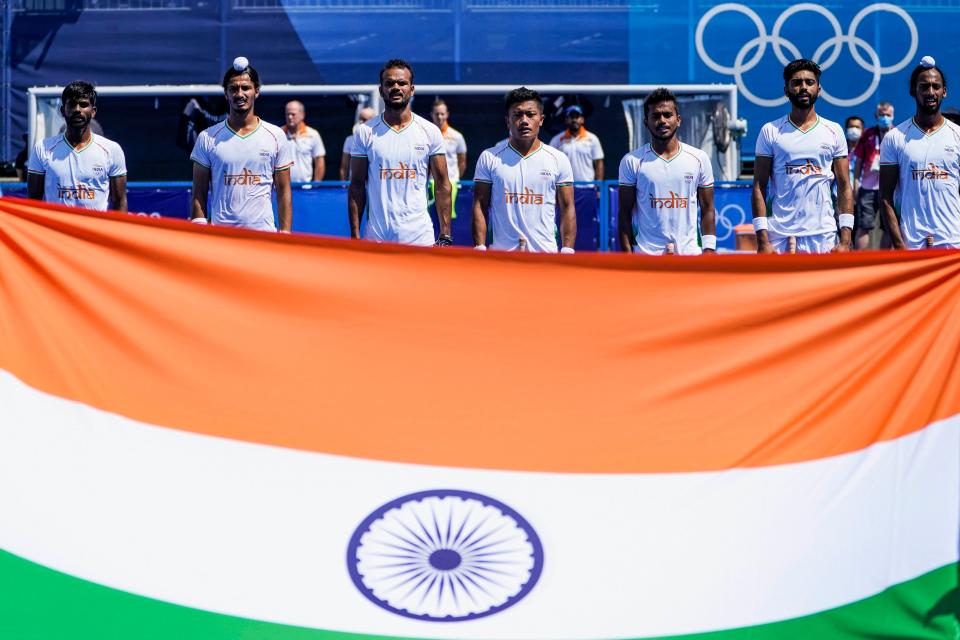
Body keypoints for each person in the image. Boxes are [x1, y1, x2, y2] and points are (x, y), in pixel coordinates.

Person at [752, 59, 853, 254]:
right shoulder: (770, 131)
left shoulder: (834, 131)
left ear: (819, 89)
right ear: (786, 90)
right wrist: (762, 239)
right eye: (796, 83)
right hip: (781, 236)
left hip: (823, 234)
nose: (803, 87)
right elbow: (758, 187)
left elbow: (844, 185)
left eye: (809, 82)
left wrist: (846, 238)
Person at [348, 59, 452, 246]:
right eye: (389, 83)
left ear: (412, 89)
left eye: (402, 83)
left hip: (420, 239)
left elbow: (442, 184)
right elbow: (356, 186)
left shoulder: (429, 131)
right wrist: (355, 237)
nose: (396, 87)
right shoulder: (365, 132)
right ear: (381, 90)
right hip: (377, 239)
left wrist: (445, 234)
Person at [190, 57, 293, 232]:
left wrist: (285, 234)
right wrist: (200, 233)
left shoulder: (276, 136)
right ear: (226, 93)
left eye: (246, 88)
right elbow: (198, 193)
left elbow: (284, 191)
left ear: (257, 91)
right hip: (222, 239)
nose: (239, 94)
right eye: (233, 89)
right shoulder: (207, 137)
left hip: (264, 236)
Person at [472, 87, 576, 252]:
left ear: (541, 119)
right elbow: (479, 205)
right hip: (502, 257)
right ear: (507, 121)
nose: (524, 120)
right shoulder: (489, 157)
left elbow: (568, 207)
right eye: (517, 115)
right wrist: (480, 247)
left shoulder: (558, 159)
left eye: (531, 114)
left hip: (545, 255)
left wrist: (567, 250)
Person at [617, 87, 716, 255]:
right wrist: (628, 256)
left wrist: (709, 250)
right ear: (645, 122)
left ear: (678, 120)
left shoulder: (699, 158)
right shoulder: (631, 161)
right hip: (646, 256)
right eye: (655, 116)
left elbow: (708, 208)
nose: (662, 120)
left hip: (690, 255)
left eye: (667, 115)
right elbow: (624, 212)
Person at [880, 56, 960, 249]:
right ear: (913, 91)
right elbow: (885, 197)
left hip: (953, 244)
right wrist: (900, 246)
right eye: (924, 87)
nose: (930, 92)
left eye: (936, 86)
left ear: (944, 92)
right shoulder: (895, 137)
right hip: (912, 246)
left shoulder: (957, 135)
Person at [27, 80, 127, 212]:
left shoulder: (112, 150)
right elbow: (33, 202)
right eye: (72, 104)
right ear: (63, 110)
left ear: (93, 111)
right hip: (55, 231)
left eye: (84, 105)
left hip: (95, 231)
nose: (77, 109)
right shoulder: (42, 148)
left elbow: (119, 201)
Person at [852, 102, 895, 249]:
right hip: (867, 187)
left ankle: (883, 263)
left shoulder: (897, 135)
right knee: (864, 226)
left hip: (890, 189)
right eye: (882, 114)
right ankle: (859, 263)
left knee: (889, 227)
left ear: (893, 116)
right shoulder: (867, 134)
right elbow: (858, 161)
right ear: (876, 116)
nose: (884, 117)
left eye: (888, 115)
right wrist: (856, 182)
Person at [430, 99, 467, 218]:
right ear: (432, 115)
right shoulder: (426, 135)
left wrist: (454, 179)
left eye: (442, 114)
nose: (440, 117)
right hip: (430, 185)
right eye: (437, 114)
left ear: (447, 114)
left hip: (451, 185)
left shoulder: (457, 136)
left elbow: (462, 162)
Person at [548, 105, 604, 182]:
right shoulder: (557, 140)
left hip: (587, 187)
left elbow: (599, 163)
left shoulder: (592, 139)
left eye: (577, 116)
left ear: (582, 119)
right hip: (565, 187)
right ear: (566, 120)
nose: (574, 120)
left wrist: (599, 186)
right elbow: (550, 163)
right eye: (571, 117)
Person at [283, 100, 325, 182]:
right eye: (287, 114)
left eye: (293, 114)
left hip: (306, 189)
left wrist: (316, 185)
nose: (290, 117)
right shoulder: (278, 134)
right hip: (283, 189)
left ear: (302, 115)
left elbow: (319, 161)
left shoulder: (313, 134)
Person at [339, 106, 376, 180]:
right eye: (360, 119)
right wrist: (344, 187)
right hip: (355, 186)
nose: (361, 122)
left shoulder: (381, 140)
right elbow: (344, 166)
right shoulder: (349, 140)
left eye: (364, 119)